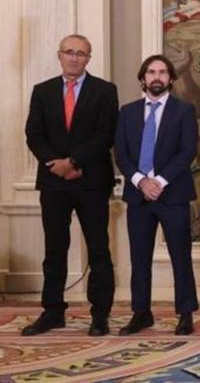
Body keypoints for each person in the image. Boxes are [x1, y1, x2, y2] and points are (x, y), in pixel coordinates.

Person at [22, 34, 118, 337]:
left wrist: (74, 162)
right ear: (59, 55)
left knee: (99, 249)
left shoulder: (105, 90)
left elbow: (106, 135)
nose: (75, 58)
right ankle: (52, 312)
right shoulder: (43, 91)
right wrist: (57, 165)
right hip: (53, 182)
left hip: (91, 181)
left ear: (89, 59)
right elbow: (33, 133)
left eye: (81, 53)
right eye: (69, 52)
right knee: (54, 249)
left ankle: (100, 315)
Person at [113, 55, 199, 336]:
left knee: (180, 255)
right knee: (139, 258)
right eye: (151, 72)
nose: (157, 77)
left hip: (172, 194)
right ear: (143, 79)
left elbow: (187, 151)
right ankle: (141, 313)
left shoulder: (184, 111)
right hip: (139, 196)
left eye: (163, 72)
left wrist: (159, 182)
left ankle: (185, 313)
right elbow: (121, 153)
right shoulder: (128, 112)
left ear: (171, 79)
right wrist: (140, 181)